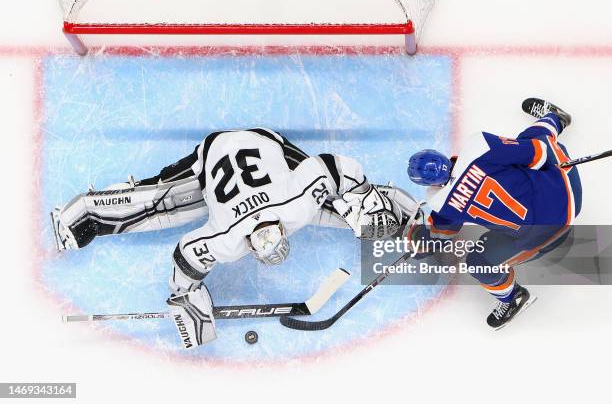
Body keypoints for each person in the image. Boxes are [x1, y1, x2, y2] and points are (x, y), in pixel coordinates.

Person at [51, 128, 413, 348]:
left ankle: (85, 215)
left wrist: (188, 296)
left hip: (244, 156)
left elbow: (186, 258)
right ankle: (86, 215)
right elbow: (336, 167)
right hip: (222, 154)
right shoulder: (281, 214)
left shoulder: (244, 232)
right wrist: (365, 200)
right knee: (165, 202)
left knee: (167, 203)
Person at [406, 99, 582, 329]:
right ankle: (554, 119)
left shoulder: (442, 204)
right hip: (567, 194)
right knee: (530, 145)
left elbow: (440, 236)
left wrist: (420, 241)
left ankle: (513, 298)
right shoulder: (479, 147)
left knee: (479, 263)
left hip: (549, 236)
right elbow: (539, 153)